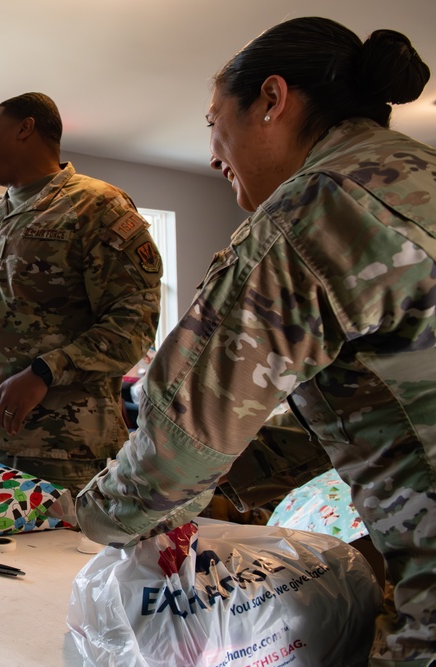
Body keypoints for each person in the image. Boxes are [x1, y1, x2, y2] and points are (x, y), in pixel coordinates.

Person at [75, 17, 434, 666]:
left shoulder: (312, 211)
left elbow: (175, 450)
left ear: (272, 99)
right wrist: (242, 468)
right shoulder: (417, 178)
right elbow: (389, 401)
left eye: (215, 121)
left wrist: (92, 514)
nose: (213, 153)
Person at [0, 92, 163, 490]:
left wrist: (46, 371)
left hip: (60, 454)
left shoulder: (97, 206)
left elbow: (133, 323)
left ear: (25, 128)